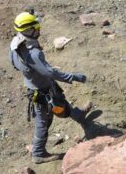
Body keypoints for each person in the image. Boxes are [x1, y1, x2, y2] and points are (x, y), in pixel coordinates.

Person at [9, 11, 93, 164]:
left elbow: (14, 64)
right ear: (30, 30)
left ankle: (79, 115)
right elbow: (49, 72)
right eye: (36, 27)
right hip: (42, 92)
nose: (39, 30)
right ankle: (38, 152)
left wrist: (32, 73)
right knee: (44, 120)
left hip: (35, 86)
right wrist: (72, 77)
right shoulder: (33, 53)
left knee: (61, 105)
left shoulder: (15, 44)